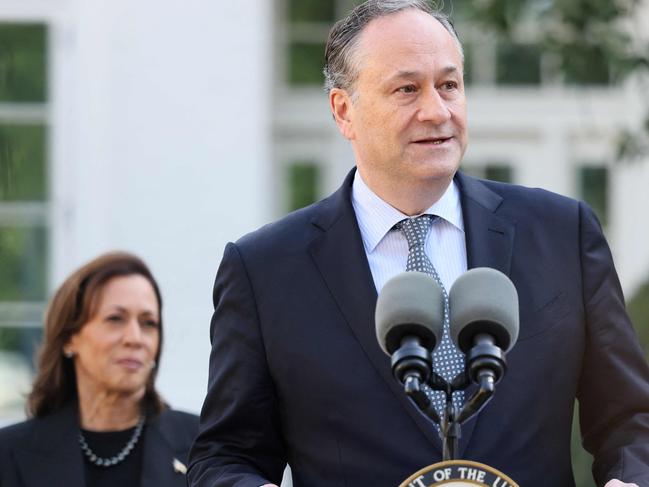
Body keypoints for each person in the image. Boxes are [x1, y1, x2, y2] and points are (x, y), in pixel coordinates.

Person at [187, 1, 649, 486]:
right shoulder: (265, 270)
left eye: (449, 85)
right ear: (344, 111)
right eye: (407, 89)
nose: (436, 111)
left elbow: (632, 421)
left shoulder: (561, 233)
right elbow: (225, 456)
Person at [0, 252, 198, 487]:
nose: (135, 338)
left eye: (148, 323)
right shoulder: (9, 455)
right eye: (115, 319)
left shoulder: (204, 446)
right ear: (69, 338)